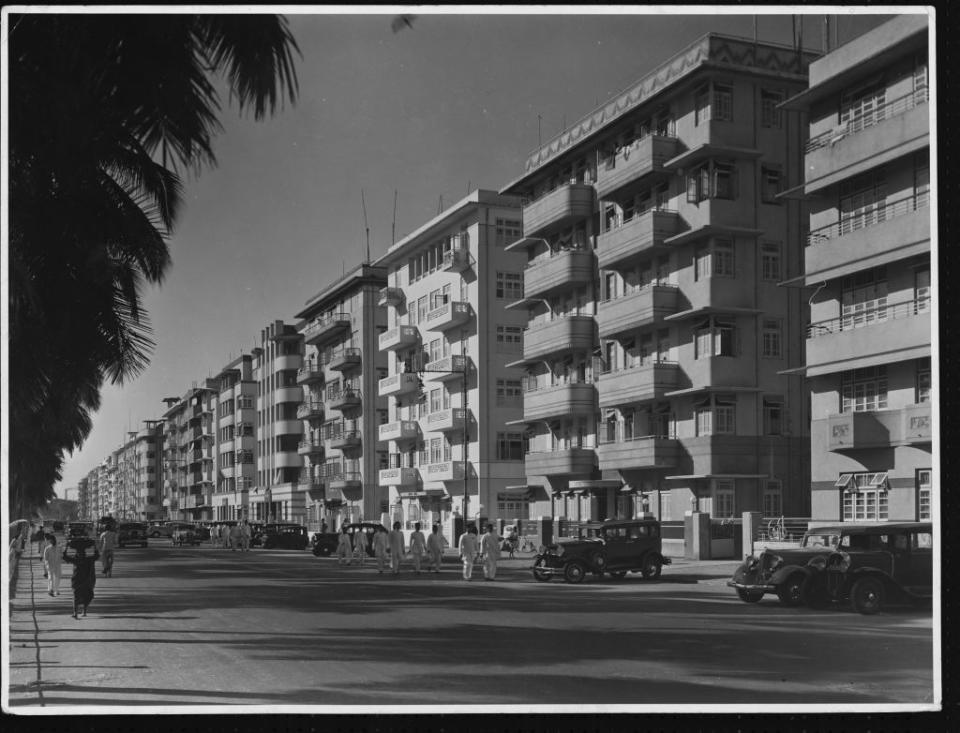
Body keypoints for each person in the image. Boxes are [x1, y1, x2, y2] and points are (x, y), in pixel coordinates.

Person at [63, 541, 99, 618]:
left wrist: (66, 548)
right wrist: (95, 547)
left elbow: (65, 557)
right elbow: (97, 555)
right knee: (86, 596)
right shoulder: (89, 560)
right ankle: (81, 612)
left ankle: (76, 613)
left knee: (78, 596)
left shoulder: (76, 560)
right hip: (85, 582)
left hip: (78, 581)